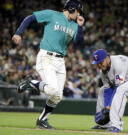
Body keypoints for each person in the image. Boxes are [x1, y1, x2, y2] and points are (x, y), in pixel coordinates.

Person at [12, 0, 85, 129]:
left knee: (57, 96)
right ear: (72, 8)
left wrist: (80, 27)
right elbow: (31, 18)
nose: (79, 14)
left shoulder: (74, 25)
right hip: (46, 57)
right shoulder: (52, 15)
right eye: (78, 10)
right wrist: (19, 32)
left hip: (60, 61)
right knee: (52, 89)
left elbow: (79, 44)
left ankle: (41, 120)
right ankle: (30, 83)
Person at [91, 49, 128, 132]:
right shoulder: (103, 72)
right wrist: (107, 108)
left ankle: (117, 125)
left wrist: (109, 108)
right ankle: (104, 124)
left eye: (101, 62)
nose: (99, 65)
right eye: (97, 64)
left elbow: (116, 88)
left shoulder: (118, 63)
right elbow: (108, 90)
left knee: (120, 90)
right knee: (102, 90)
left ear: (107, 58)